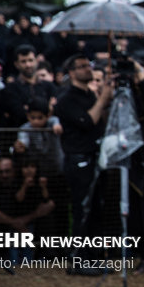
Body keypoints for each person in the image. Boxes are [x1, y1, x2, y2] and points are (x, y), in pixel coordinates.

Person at [53, 53, 113, 275]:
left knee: (97, 210)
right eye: (81, 66)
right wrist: (102, 98)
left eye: (88, 65)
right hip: (79, 161)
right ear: (71, 73)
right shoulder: (66, 99)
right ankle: (78, 260)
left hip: (96, 158)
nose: (88, 69)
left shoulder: (91, 94)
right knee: (82, 210)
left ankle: (95, 258)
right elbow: (87, 122)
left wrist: (103, 96)